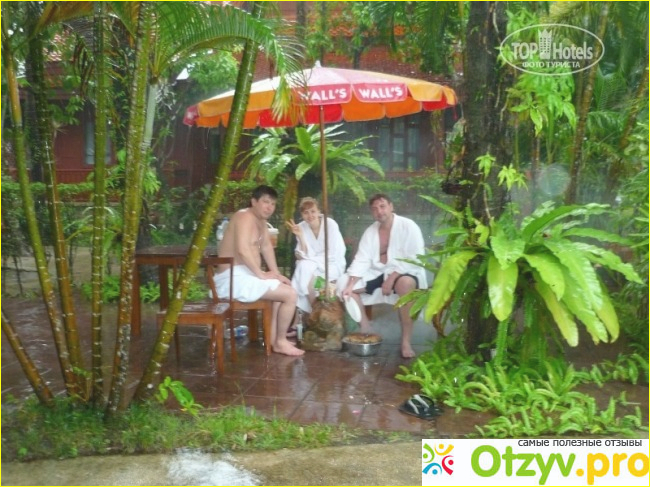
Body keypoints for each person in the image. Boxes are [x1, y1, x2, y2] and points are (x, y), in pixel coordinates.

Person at [214, 185, 304, 356]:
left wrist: (276, 274)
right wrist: (261, 274)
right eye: (265, 202)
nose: (269, 207)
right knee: (290, 295)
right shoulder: (244, 216)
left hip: (245, 276)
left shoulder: (260, 222)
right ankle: (281, 341)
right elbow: (242, 249)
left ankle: (274, 339)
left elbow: (267, 247)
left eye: (273, 204)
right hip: (231, 278)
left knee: (283, 287)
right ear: (254, 202)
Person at [337, 194, 427, 359]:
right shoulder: (370, 232)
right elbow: (362, 259)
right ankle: (366, 328)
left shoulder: (408, 226)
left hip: (404, 271)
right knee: (344, 285)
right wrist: (350, 285)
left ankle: (406, 341)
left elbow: (416, 257)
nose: (379, 211)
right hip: (378, 272)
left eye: (382, 206)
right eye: (374, 209)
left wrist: (391, 279)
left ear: (391, 206)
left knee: (405, 284)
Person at [285, 197, 347, 316]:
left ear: (319, 211)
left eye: (313, 211)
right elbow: (300, 255)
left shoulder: (330, 224)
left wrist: (311, 259)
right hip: (312, 266)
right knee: (304, 267)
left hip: (331, 265)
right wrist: (300, 236)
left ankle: (311, 314)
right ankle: (314, 311)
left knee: (305, 271)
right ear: (302, 214)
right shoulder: (301, 227)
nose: (310, 215)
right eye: (306, 212)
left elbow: (334, 253)